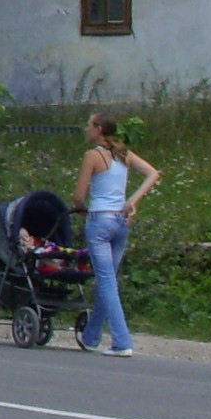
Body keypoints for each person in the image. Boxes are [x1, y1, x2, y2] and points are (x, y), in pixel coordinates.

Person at [73, 114, 160, 355]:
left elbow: (79, 195)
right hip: (121, 220)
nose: (85, 129)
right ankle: (91, 336)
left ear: (98, 129)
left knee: (106, 280)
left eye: (88, 125)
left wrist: (81, 208)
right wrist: (132, 201)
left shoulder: (93, 156)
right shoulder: (123, 154)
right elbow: (153, 174)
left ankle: (122, 341)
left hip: (100, 220)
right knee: (108, 278)